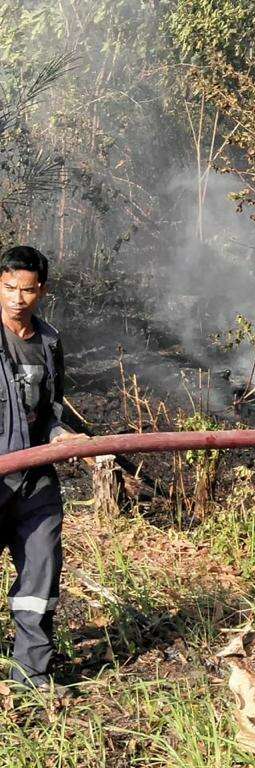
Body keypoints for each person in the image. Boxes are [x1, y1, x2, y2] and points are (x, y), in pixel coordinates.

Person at [0, 245, 84, 690]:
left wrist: (60, 436)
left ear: (42, 291)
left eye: (27, 290)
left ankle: (31, 676)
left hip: (36, 482)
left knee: (40, 573)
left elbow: (51, 410)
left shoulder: (49, 342)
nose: (17, 299)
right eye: (9, 287)